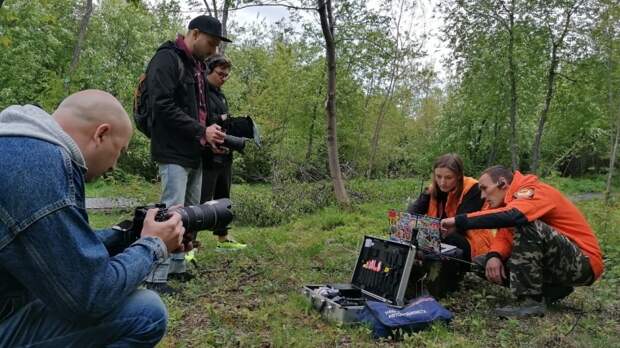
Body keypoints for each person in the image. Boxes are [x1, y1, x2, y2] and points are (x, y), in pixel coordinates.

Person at [0, 90, 185, 346]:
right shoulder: (39, 170)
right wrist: (153, 245)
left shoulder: (20, 148)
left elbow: (63, 254)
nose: (114, 166)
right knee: (146, 313)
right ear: (101, 133)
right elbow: (91, 296)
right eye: (119, 152)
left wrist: (128, 235)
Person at [441, 165, 604, 318]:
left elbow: (514, 217)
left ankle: (530, 301)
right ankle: (552, 290)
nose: (483, 196)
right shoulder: (512, 202)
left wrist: (458, 221)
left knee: (526, 224)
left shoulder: (534, 191)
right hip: (560, 262)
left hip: (584, 262)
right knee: (481, 263)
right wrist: (494, 255)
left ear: (502, 183)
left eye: (484, 188)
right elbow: (505, 235)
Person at [144, 15, 231, 292]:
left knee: (191, 214)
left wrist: (209, 135)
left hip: (195, 150)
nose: (214, 50)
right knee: (171, 212)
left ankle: (178, 267)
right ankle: (157, 276)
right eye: (211, 43)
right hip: (172, 151)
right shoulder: (167, 60)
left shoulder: (196, 67)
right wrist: (200, 130)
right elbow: (162, 105)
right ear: (194, 34)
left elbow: (199, 112)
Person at [407, 153, 494, 295]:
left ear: (459, 176)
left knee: (447, 237)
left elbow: (460, 224)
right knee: (408, 232)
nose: (442, 182)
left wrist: (425, 230)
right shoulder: (433, 189)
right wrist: (410, 223)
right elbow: (412, 211)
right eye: (438, 176)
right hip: (438, 236)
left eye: (448, 178)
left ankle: (444, 276)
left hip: (471, 243)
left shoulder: (473, 189)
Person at [201, 54, 247, 252]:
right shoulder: (200, 92)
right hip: (206, 154)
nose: (224, 78)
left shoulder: (221, 94)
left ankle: (223, 238)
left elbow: (221, 122)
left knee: (223, 198)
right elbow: (202, 121)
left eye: (227, 75)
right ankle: (188, 244)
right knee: (199, 200)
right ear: (208, 70)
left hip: (224, 154)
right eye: (220, 74)